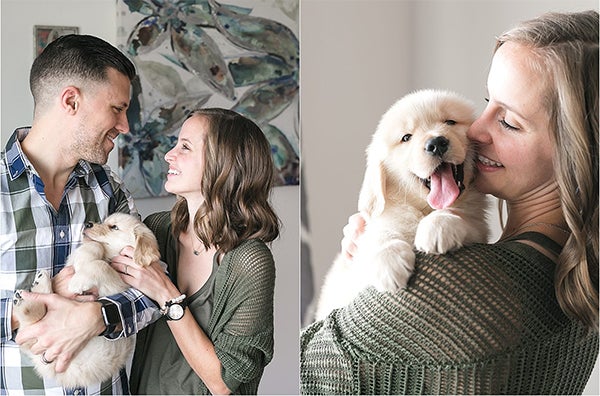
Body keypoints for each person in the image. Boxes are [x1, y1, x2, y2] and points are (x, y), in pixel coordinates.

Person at [300, 10, 599, 395]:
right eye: (487, 101)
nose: (475, 129)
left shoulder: (449, 280)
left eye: (508, 121)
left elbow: (303, 375)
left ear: (576, 153)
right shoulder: (580, 279)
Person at [1, 34, 159, 394]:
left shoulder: (109, 189)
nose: (125, 127)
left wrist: (94, 317)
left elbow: (153, 290)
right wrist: (29, 307)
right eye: (117, 109)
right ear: (71, 100)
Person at [110, 108, 280, 394]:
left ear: (223, 164)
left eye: (185, 147)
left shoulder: (250, 261)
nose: (168, 155)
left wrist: (167, 295)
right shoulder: (158, 230)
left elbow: (223, 381)